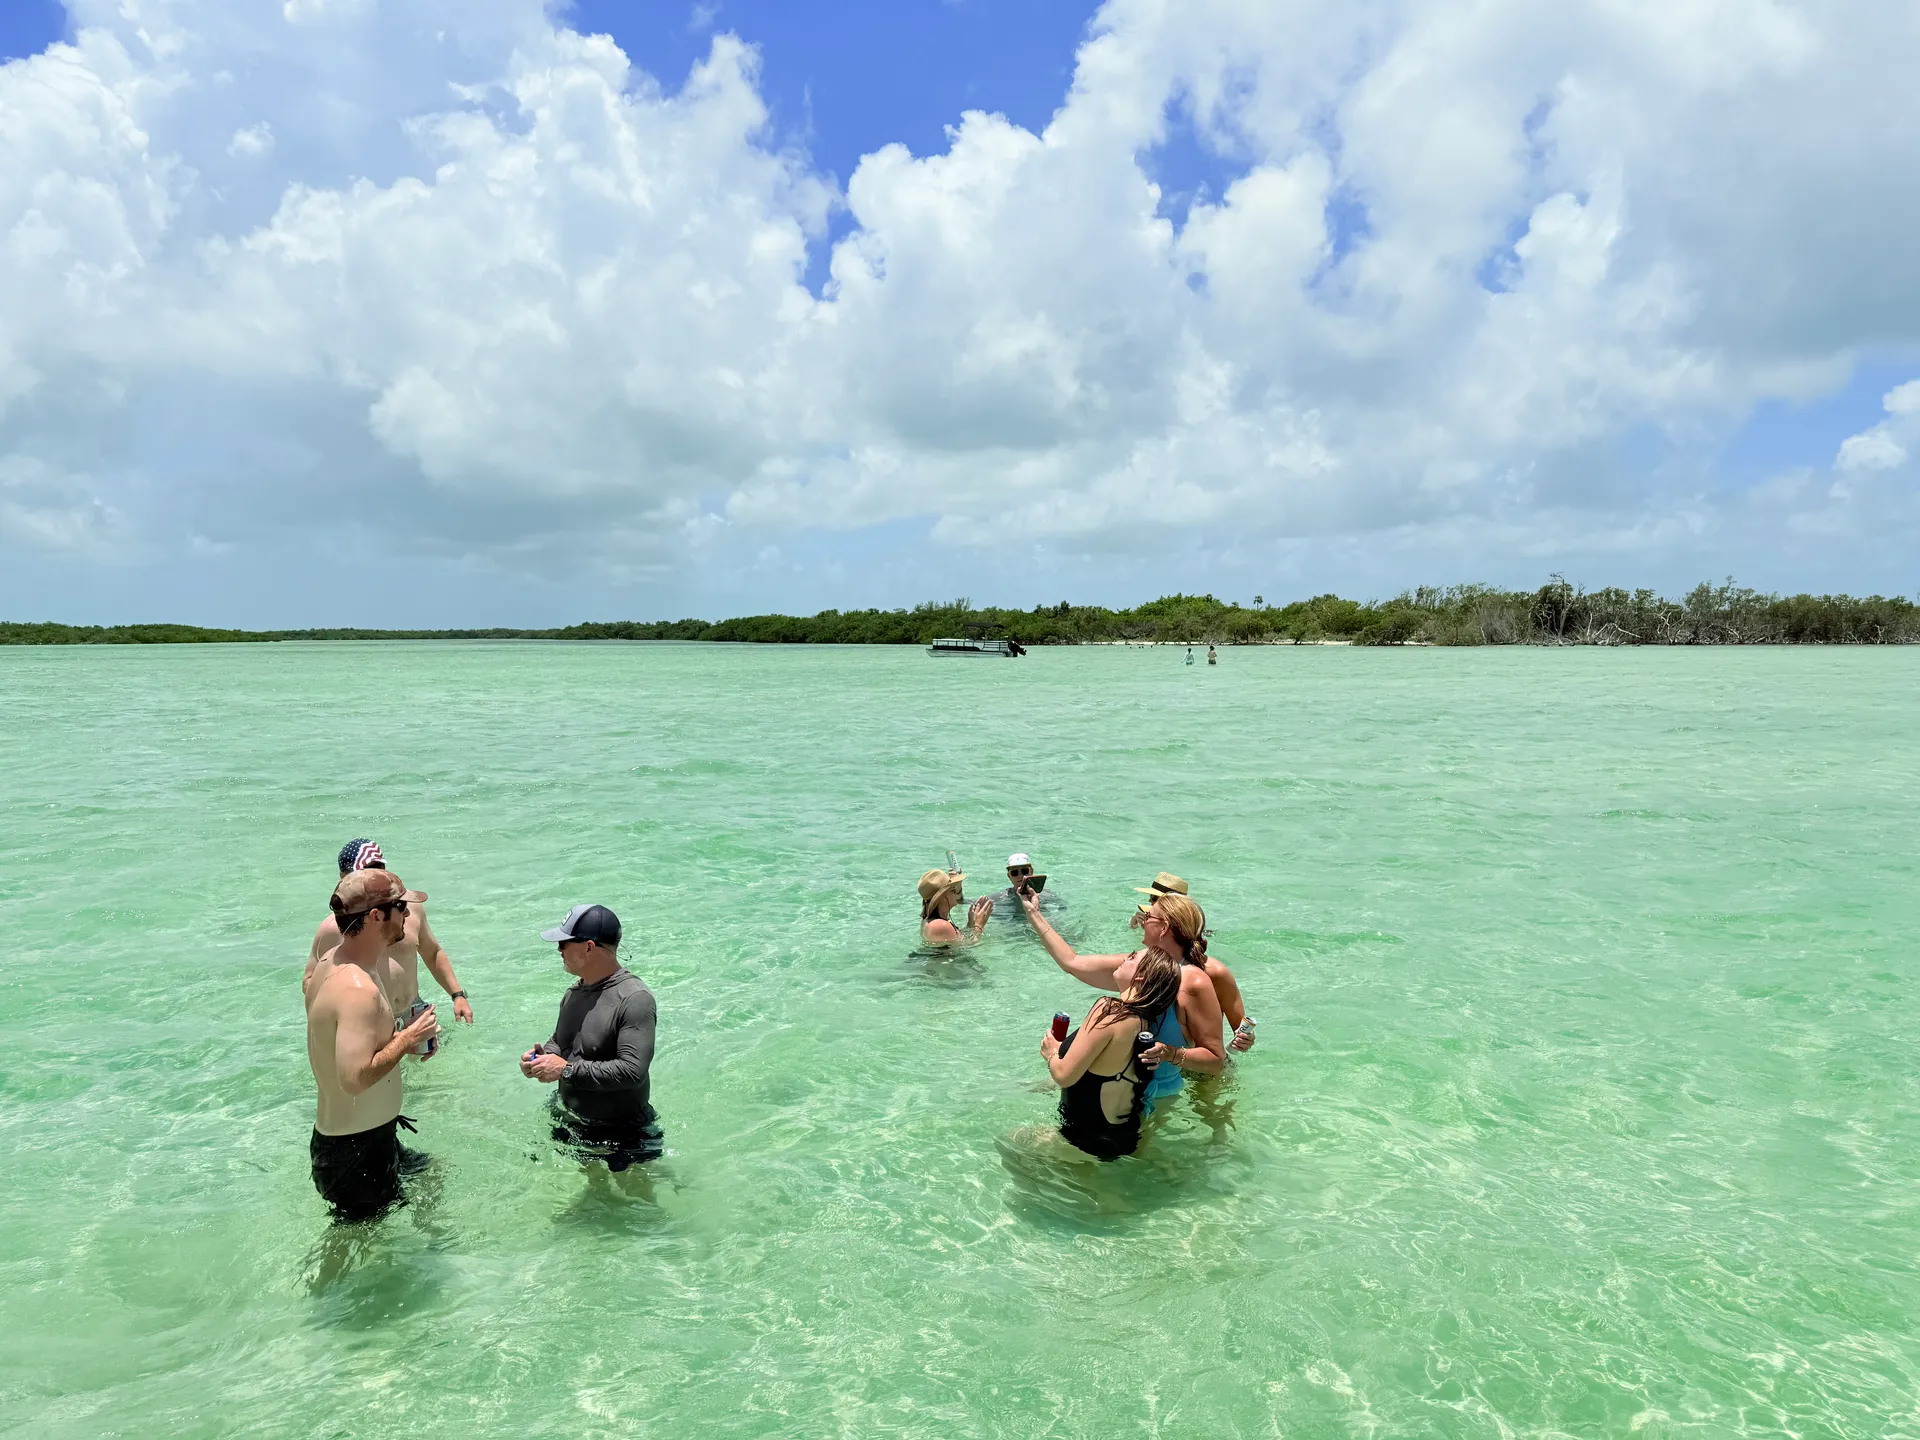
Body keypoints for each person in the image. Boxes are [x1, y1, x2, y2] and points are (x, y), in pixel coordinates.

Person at [306, 868, 441, 1222]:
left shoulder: (333, 962)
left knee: (431, 1177)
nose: (408, 915)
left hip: (360, 1137)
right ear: (376, 916)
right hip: (356, 1152)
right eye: (401, 907)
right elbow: (353, 1078)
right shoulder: (357, 988)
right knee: (360, 1254)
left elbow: (337, 1041)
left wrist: (399, 1043)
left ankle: (434, 1256)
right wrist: (407, 1038)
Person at [1019, 887, 1225, 1112]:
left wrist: (1171, 1053)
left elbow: (1215, 1060)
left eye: (1149, 917)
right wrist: (1034, 913)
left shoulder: (1194, 983)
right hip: (1113, 1093)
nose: (1143, 921)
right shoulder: (1139, 963)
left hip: (1157, 1101)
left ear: (1164, 928)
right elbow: (1073, 962)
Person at [521, 905, 663, 1173]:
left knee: (636, 1200)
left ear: (588, 947)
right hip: (572, 1120)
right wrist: (540, 1058)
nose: (559, 950)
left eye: (564, 943)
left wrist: (565, 1070)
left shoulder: (635, 999)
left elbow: (633, 1071)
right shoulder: (574, 992)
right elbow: (562, 1043)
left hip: (622, 1133)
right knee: (593, 1196)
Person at [306, 838, 474, 1028]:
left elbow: (432, 952)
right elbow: (311, 982)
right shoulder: (335, 928)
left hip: (414, 1010)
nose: (371, 879)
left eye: (377, 870)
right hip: (374, 1021)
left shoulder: (408, 909)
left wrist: (457, 995)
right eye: (364, 874)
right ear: (344, 878)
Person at [1042, 949, 1182, 1160]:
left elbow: (1064, 1075)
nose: (1125, 958)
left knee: (1008, 1145)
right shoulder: (1144, 1023)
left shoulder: (1109, 1010)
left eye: (1132, 956)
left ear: (1141, 975)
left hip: (1083, 1140)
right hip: (1123, 1137)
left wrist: (1052, 1053)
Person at [1134, 872, 1254, 1052]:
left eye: (1155, 900)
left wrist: (1245, 1039)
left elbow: (1241, 1029)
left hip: (1202, 1069)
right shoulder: (1145, 960)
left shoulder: (1214, 972)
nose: (1151, 906)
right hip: (1160, 1065)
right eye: (1151, 900)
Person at [985, 852, 1065, 922]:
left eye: (1024, 871)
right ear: (1009, 876)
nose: (1020, 876)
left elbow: (1062, 909)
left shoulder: (1046, 894)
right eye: (1014, 872)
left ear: (1032, 872)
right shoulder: (1000, 897)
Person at [919, 868, 991, 944]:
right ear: (943, 896)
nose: (957, 893)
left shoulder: (931, 920)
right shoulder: (940, 925)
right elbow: (965, 947)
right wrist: (979, 926)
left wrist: (970, 924)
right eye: (954, 889)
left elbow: (957, 940)